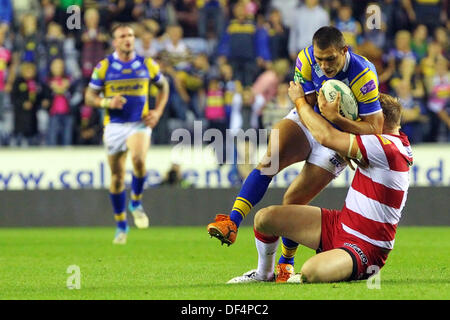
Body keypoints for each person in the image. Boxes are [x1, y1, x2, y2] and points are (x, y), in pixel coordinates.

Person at [207, 26, 384, 282]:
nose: (324, 65)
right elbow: (307, 104)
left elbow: (374, 127)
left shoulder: (363, 74)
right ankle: (232, 223)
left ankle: (285, 264)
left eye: (331, 59)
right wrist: (318, 113)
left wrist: (337, 120)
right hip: (309, 118)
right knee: (269, 160)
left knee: (293, 201)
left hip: (337, 137)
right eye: (320, 59)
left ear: (345, 51)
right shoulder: (305, 59)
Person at [228, 86, 412, 283]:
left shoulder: (385, 147)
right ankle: (264, 274)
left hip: (366, 247)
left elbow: (326, 136)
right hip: (340, 224)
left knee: (311, 271)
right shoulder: (393, 142)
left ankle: (341, 267)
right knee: (265, 219)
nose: (359, 121)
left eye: (365, 117)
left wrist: (301, 102)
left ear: (379, 120)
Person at [85, 23, 169, 244]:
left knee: (139, 159)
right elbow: (89, 96)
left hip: (138, 123)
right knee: (117, 177)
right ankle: (121, 224)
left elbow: (164, 86)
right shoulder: (104, 67)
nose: (128, 39)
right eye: (122, 36)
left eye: (130, 35)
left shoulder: (146, 64)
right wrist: (107, 101)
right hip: (113, 126)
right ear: (115, 42)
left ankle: (136, 201)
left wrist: (157, 112)